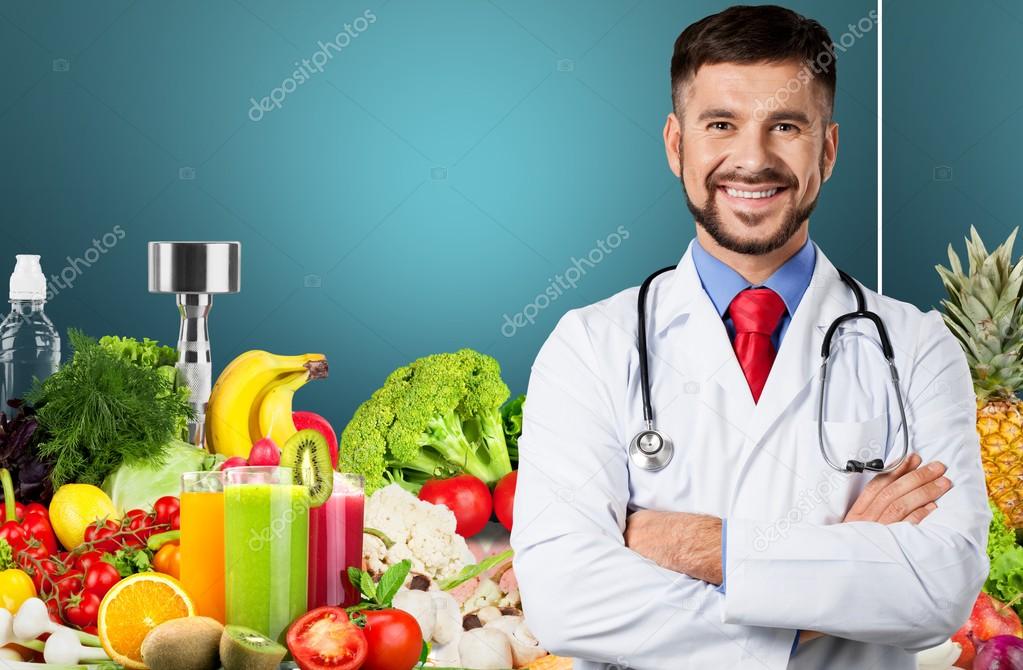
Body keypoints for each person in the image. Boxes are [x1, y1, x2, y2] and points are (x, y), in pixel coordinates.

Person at [509, 5, 990, 669]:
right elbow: (565, 599)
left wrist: (692, 543)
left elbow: (939, 591)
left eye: (784, 126)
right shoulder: (588, 345)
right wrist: (832, 589)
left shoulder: (914, 346)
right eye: (721, 125)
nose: (751, 159)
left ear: (826, 147)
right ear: (677, 145)